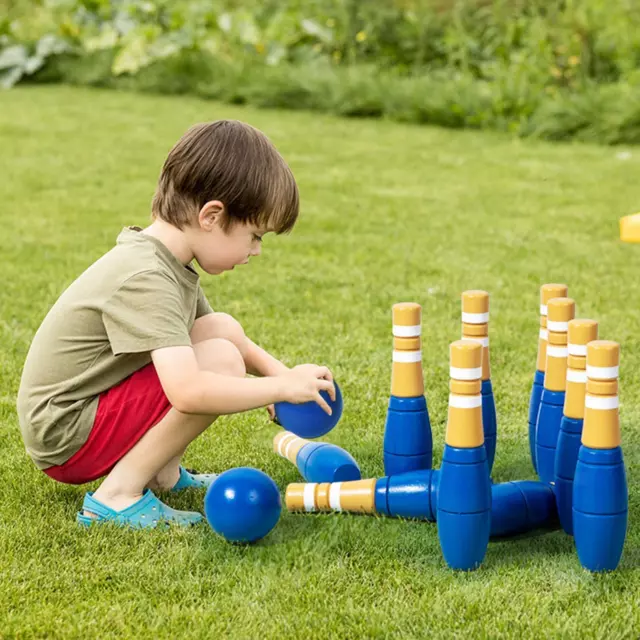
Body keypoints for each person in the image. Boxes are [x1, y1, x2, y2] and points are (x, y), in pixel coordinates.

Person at [17, 119, 336, 529]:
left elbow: (221, 332)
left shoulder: (165, 260)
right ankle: (116, 496)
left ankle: (162, 475)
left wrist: (281, 375)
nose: (256, 251)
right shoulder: (147, 277)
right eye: (255, 235)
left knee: (219, 331)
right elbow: (188, 391)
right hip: (66, 434)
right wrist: (278, 389)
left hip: (83, 411)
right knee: (219, 361)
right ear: (211, 216)